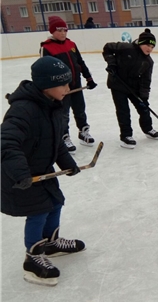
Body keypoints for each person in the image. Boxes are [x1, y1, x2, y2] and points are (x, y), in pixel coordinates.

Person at [1, 56, 86, 286]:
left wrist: (66, 162)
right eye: (63, 84)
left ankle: (50, 242)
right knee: (38, 211)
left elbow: (56, 140)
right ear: (46, 85)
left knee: (55, 203)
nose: (68, 89)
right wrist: (21, 174)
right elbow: (6, 143)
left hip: (43, 170)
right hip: (21, 174)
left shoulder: (53, 105)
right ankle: (32, 257)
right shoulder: (23, 110)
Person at [40, 16, 97, 154]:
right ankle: (64, 136)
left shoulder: (71, 44)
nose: (63, 33)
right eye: (59, 30)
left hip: (76, 84)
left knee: (80, 109)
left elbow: (80, 62)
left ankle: (83, 131)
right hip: (61, 89)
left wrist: (88, 78)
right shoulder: (47, 47)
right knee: (63, 113)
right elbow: (44, 69)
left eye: (65, 30)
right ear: (52, 31)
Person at [102, 28, 158, 148]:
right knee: (123, 110)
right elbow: (107, 48)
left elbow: (146, 80)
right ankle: (126, 136)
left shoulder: (148, 62)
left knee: (144, 108)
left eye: (152, 47)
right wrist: (111, 63)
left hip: (134, 87)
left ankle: (147, 128)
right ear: (140, 42)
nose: (149, 49)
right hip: (118, 84)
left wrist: (144, 96)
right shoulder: (125, 48)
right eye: (147, 45)